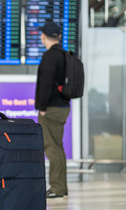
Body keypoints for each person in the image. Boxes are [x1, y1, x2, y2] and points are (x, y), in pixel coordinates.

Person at [35, 21, 70, 199]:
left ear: (43, 36)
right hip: (63, 106)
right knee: (58, 147)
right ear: (59, 36)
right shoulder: (64, 55)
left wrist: (41, 107)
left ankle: (56, 188)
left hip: (51, 108)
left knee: (51, 148)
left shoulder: (50, 56)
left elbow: (46, 83)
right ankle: (61, 187)